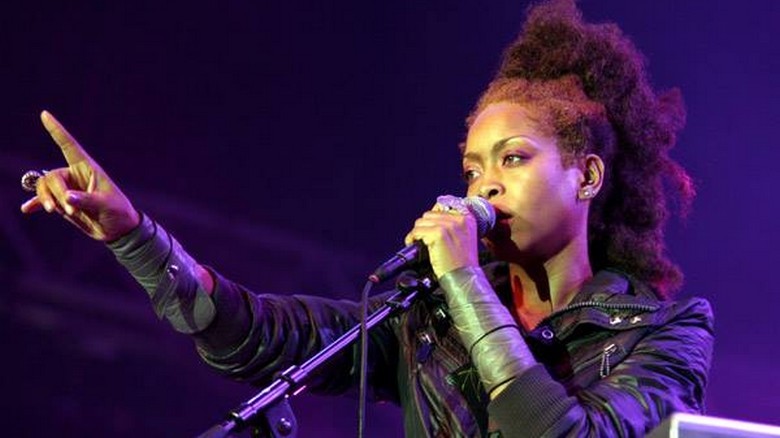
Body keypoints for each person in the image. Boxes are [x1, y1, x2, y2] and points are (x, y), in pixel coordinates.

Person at [20, 0, 713, 436]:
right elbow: (250, 334)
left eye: (513, 159)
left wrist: (465, 282)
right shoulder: (426, 322)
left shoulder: (665, 334)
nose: (485, 186)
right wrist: (133, 237)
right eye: (472, 169)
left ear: (586, 176)